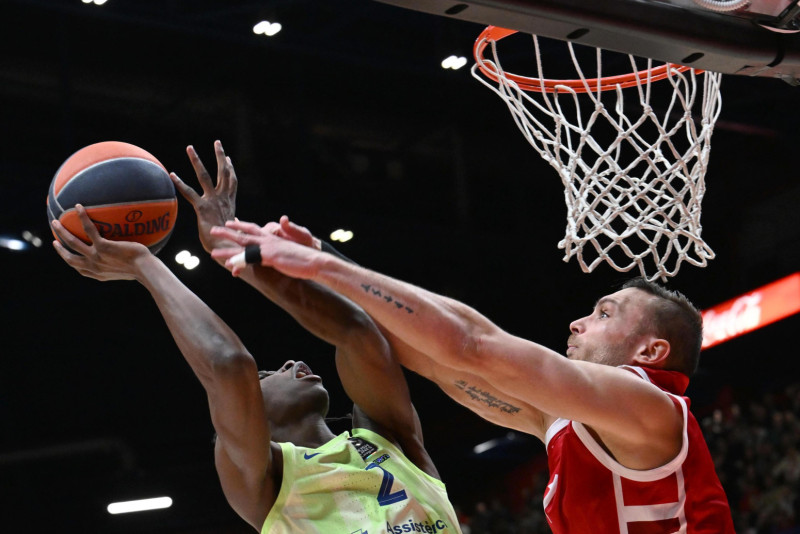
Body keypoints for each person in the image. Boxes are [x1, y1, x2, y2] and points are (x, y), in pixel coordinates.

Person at [210, 214, 737, 533]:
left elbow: (473, 346)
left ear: (650, 350)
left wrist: (325, 266)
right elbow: (430, 358)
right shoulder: (563, 421)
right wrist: (280, 268)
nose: (577, 322)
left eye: (604, 314)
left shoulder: (650, 407)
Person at [50, 141, 463, 534]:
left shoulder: (393, 441)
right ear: (250, 418)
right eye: (267, 375)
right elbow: (230, 366)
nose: (290, 363)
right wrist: (145, 266)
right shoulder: (265, 481)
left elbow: (358, 330)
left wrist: (239, 253)